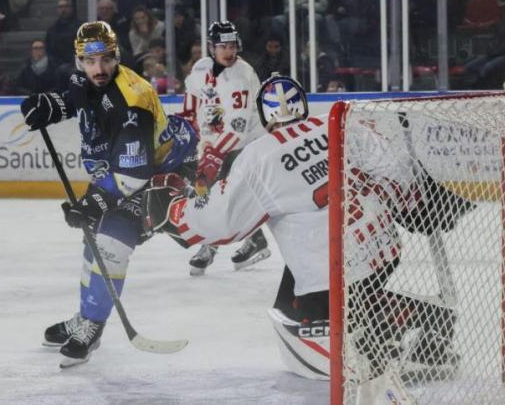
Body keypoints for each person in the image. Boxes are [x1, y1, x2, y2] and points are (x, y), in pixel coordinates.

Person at [141, 74, 472, 379]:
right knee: (305, 296)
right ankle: (406, 323)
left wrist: (173, 210)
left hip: (328, 262)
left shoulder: (261, 156)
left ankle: (404, 326)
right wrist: (413, 203)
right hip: (380, 246)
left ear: (266, 115)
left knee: (307, 316)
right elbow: (395, 166)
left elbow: (222, 219)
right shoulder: (339, 125)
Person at [19, 21, 197, 367]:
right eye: (89, 61)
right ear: (79, 60)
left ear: (117, 56)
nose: (97, 69)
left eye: (105, 60)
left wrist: (93, 203)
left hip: (158, 174)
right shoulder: (83, 78)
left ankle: (93, 325)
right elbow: (79, 100)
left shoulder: (133, 99)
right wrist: (50, 106)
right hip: (117, 168)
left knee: (111, 244)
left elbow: (133, 173)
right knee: (92, 240)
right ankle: (88, 315)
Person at [179, 20, 270, 276]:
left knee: (214, 194)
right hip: (217, 144)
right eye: (223, 46)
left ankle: (209, 247)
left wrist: (213, 157)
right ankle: (255, 239)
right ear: (211, 48)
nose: (229, 52)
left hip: (246, 144)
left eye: (232, 46)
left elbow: (237, 129)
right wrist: (186, 128)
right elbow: (191, 103)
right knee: (218, 195)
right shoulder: (201, 68)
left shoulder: (240, 77)